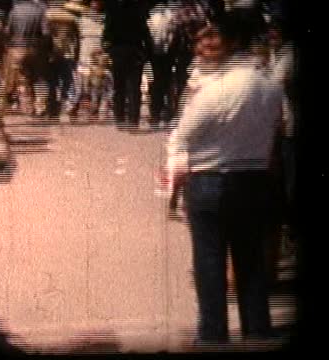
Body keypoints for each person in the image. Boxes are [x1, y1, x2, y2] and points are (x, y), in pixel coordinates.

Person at [164, 10, 282, 345]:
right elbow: (277, 126)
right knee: (251, 260)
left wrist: (176, 176)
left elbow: (182, 133)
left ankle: (214, 335)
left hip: (210, 178)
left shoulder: (216, 89)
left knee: (210, 260)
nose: (206, 44)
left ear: (232, 43)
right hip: (253, 177)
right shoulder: (270, 86)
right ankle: (258, 329)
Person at [102, 0, 152, 130]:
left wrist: (108, 49)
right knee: (134, 87)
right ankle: (133, 121)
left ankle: (120, 119)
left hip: (117, 51)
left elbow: (107, 33)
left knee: (119, 87)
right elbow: (145, 33)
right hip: (135, 51)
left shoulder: (112, 11)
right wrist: (147, 51)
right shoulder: (139, 11)